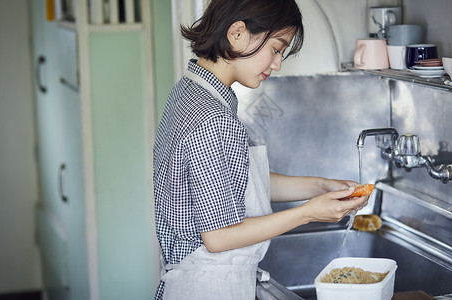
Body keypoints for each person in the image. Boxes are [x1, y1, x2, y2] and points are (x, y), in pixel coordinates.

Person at [153, 0, 369, 299]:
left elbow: (236, 181)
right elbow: (218, 237)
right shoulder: (213, 117)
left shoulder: (190, 92)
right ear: (237, 33)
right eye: (277, 48)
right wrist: (308, 213)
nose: (277, 63)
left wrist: (320, 187)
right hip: (211, 287)